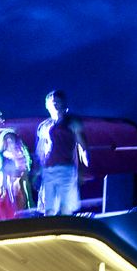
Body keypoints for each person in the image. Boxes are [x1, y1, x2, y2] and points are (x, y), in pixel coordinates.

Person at [35, 88, 87, 216]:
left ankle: (65, 227)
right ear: (47, 105)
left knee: (65, 207)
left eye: (57, 101)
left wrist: (83, 168)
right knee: (49, 209)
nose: (55, 104)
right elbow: (40, 150)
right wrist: (37, 171)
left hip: (65, 169)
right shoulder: (44, 126)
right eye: (52, 102)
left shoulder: (72, 122)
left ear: (63, 103)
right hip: (49, 169)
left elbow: (82, 145)